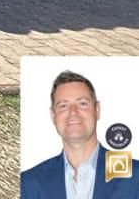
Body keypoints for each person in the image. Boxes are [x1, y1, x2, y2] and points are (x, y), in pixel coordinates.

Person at [21, 70, 138, 198]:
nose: (73, 112)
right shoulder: (29, 182)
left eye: (82, 104)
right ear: (53, 115)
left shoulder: (134, 174)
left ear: (97, 110)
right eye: (63, 105)